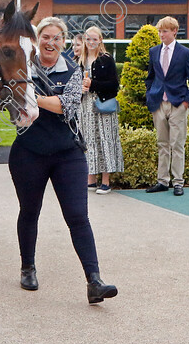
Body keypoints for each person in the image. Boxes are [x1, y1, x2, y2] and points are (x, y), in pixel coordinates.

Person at [8, 16, 117, 304]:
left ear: (64, 42)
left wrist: (30, 95)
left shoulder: (73, 70)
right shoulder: (23, 68)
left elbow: (65, 106)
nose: (51, 42)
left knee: (78, 217)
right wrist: (30, 94)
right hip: (28, 152)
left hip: (67, 153)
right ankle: (27, 267)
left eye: (57, 38)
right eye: (46, 36)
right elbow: (8, 102)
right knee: (29, 212)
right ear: (36, 39)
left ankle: (94, 280)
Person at [145, 16, 189, 196]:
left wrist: (186, 102)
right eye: (160, 31)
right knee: (162, 143)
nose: (161, 34)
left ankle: (178, 182)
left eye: (165, 31)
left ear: (174, 31)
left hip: (178, 103)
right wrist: (150, 95)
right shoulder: (154, 51)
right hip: (159, 102)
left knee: (177, 144)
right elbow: (151, 77)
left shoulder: (185, 53)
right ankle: (162, 181)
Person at [77, 26, 123, 193]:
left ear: (100, 40)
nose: (91, 42)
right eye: (88, 39)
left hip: (102, 105)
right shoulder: (79, 60)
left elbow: (114, 85)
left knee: (105, 140)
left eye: (94, 39)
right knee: (89, 141)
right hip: (85, 106)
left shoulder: (106, 59)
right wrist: (80, 89)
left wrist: (93, 85)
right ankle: (91, 179)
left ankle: (106, 181)